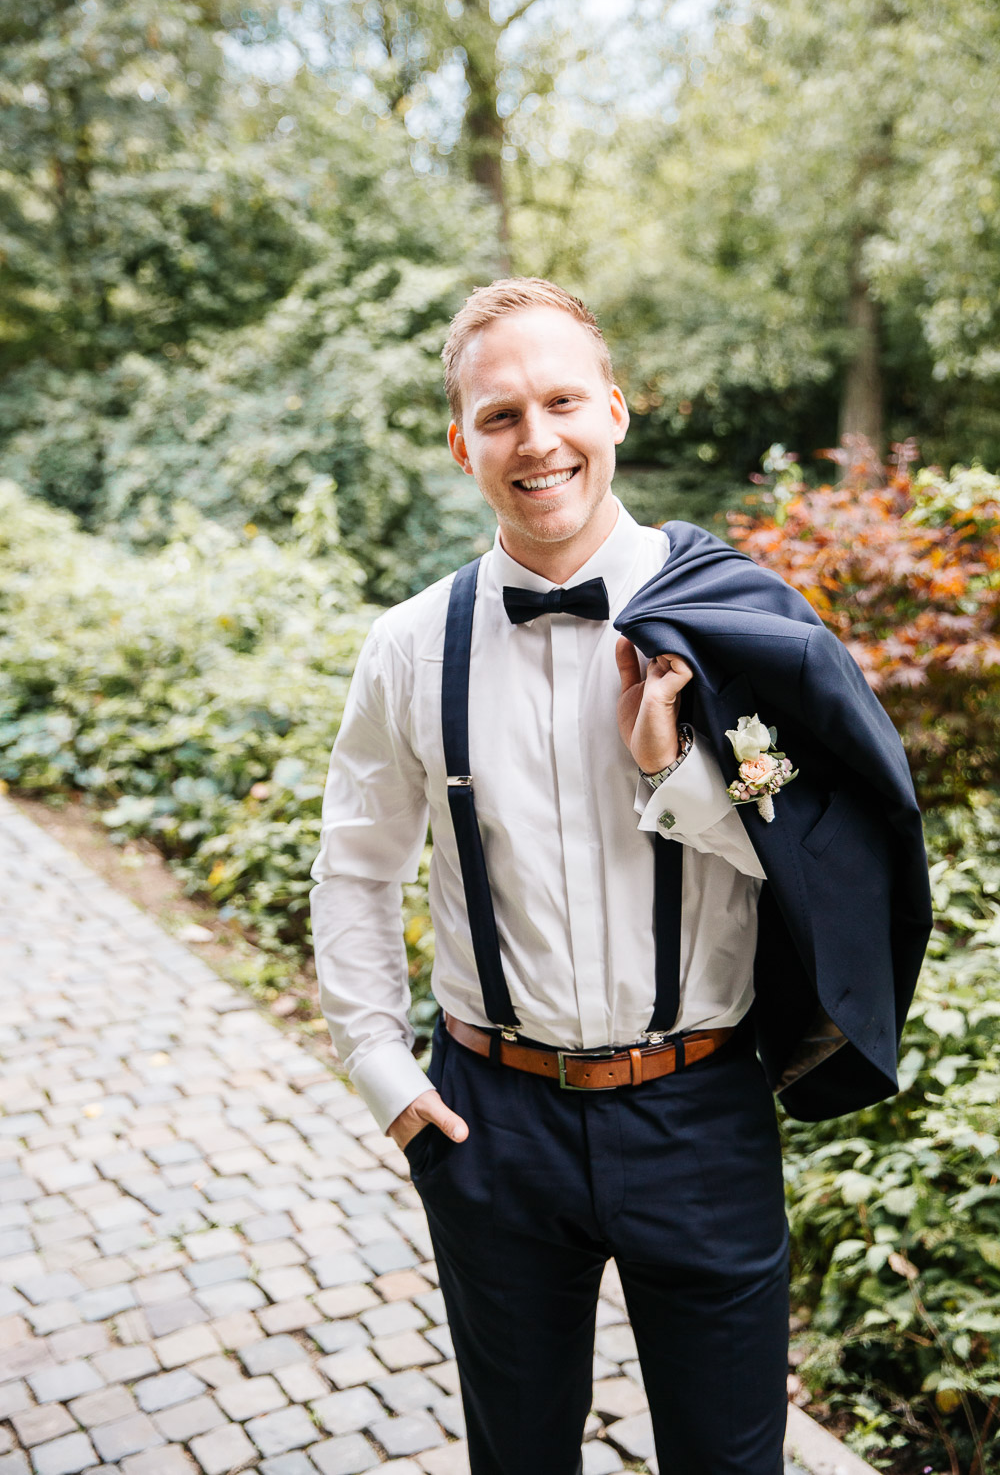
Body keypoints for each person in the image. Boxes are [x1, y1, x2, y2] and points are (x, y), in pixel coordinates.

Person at [309, 277, 931, 1475]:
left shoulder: (737, 615)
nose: (535, 441)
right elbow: (357, 868)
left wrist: (678, 773)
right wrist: (383, 1071)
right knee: (520, 1458)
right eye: (499, 417)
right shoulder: (407, 646)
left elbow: (830, 855)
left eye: (560, 402)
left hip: (698, 1112)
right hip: (490, 1121)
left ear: (615, 409)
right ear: (461, 445)